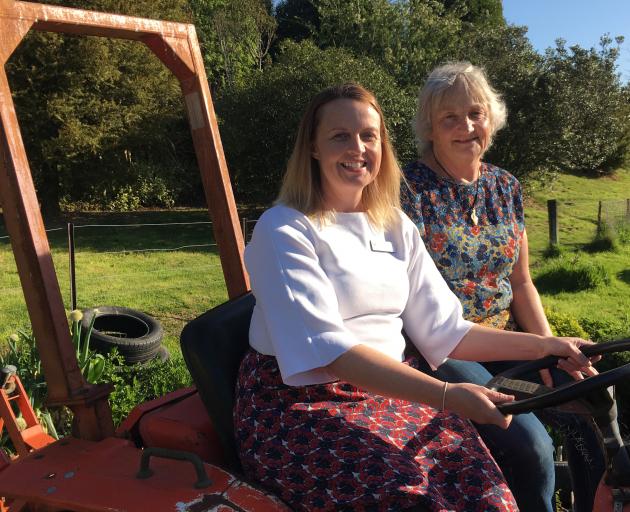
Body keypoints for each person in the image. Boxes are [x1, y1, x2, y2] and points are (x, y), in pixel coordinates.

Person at [234, 83, 595, 512]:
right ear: (312, 148)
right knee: (411, 499)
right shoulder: (285, 228)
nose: (358, 147)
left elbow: (445, 330)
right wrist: (446, 395)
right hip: (301, 404)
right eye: (340, 136)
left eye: (369, 135)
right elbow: (328, 351)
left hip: (391, 393)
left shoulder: (395, 225)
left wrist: (547, 345)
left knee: (489, 498)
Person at [401, 61, 605, 512]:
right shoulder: (407, 191)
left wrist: (548, 346)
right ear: (429, 129)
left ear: (491, 118)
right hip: (444, 345)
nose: (466, 126)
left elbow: (522, 281)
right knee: (529, 442)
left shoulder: (506, 187)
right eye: (449, 118)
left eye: (475, 113)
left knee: (589, 404)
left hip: (509, 338)